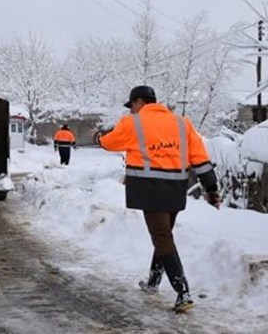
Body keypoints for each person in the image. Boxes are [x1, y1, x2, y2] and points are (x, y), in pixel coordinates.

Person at [93, 85, 221, 313]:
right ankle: (153, 282)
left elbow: (111, 143)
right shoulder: (183, 123)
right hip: (175, 189)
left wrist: (98, 138)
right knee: (164, 235)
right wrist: (212, 189)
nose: (131, 110)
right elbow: (200, 159)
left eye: (132, 105)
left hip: (149, 188)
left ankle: (183, 293)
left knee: (161, 237)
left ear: (139, 102)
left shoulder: (133, 122)